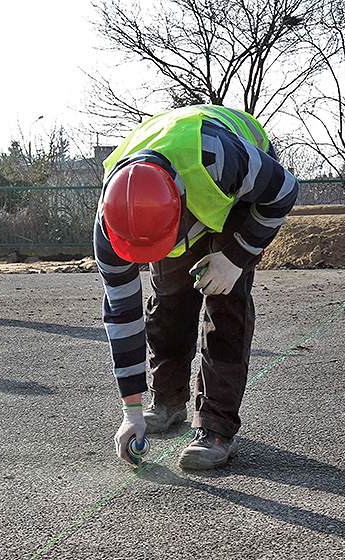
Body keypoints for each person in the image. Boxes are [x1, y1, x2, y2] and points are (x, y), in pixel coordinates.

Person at [95, 105, 298, 470]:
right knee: (168, 299)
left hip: (235, 190)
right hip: (174, 183)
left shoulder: (223, 158)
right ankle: (167, 402)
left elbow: (284, 191)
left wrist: (235, 256)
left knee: (224, 299)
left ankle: (216, 427)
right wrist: (131, 409)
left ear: (179, 208)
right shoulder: (112, 218)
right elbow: (122, 317)